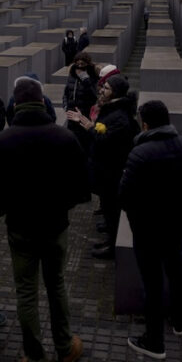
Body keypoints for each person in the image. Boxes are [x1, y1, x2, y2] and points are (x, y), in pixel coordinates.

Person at [0, 77, 87, 362]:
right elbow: (81, 189)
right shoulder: (65, 138)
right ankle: (66, 349)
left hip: (20, 229)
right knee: (56, 285)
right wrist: (58, 206)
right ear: (43, 102)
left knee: (26, 293)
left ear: (15, 105)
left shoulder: (1, 142)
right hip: (55, 227)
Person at [120, 100, 182, 359]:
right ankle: (180, 318)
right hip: (176, 221)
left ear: (144, 124)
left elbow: (124, 195)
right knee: (176, 268)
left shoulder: (139, 154)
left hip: (146, 228)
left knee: (152, 283)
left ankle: (154, 341)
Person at [72, 74, 139, 260]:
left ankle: (113, 246)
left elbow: (108, 141)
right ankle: (110, 238)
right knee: (109, 209)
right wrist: (91, 125)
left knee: (113, 209)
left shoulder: (120, 116)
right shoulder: (113, 110)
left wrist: (89, 128)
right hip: (105, 169)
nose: (101, 89)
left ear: (115, 92)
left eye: (106, 88)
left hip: (112, 171)